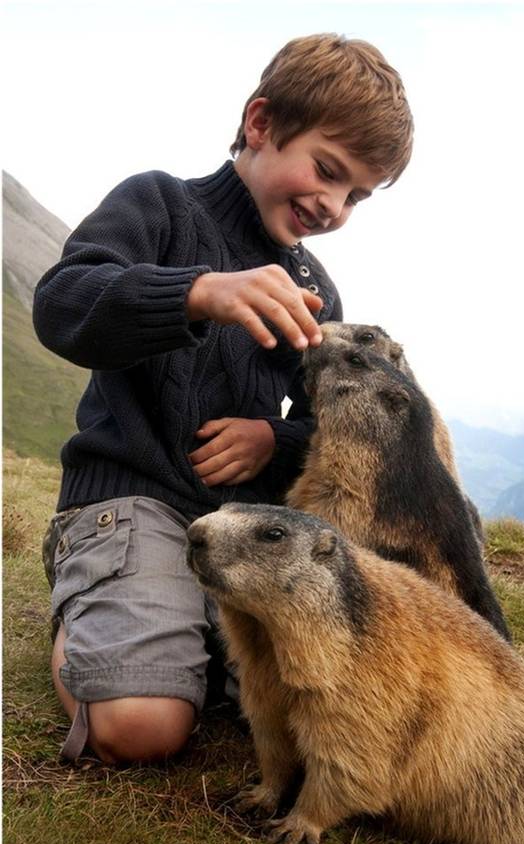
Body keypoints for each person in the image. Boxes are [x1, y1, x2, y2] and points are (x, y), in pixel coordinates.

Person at [33, 32, 413, 765]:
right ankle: (84, 615)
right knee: (144, 729)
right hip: (129, 501)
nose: (333, 205)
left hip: (238, 527)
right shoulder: (159, 204)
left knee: (323, 711)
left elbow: (326, 431)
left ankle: (170, 639)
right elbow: (62, 303)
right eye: (327, 171)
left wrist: (276, 442)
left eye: (356, 195)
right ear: (261, 122)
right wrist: (200, 292)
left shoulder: (318, 290)